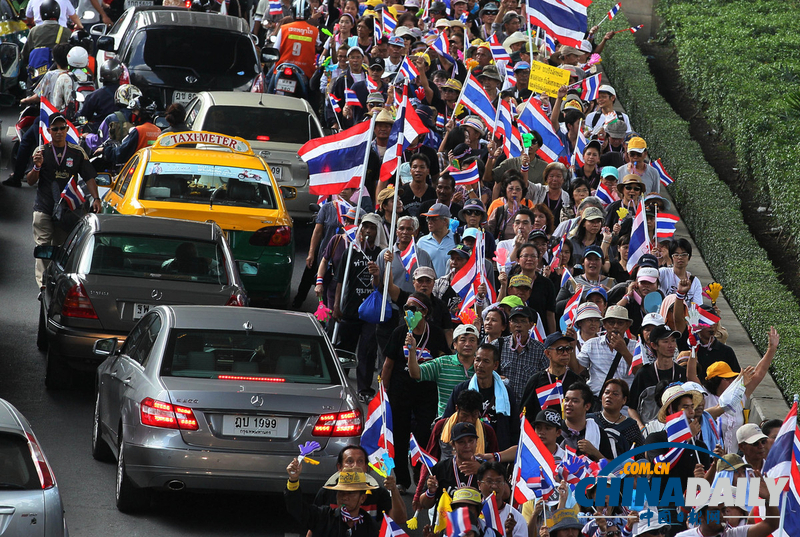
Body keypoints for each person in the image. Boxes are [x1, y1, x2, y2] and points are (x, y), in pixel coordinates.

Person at [381, 291, 450, 491]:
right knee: (399, 437)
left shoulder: (435, 333)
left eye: (414, 309)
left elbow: (443, 360)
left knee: (423, 435)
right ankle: (402, 479)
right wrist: (384, 392)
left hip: (426, 395)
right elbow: (388, 364)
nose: (409, 312)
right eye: (406, 309)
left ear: (425, 312)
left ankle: (420, 472)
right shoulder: (400, 332)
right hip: (400, 392)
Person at [29, 113, 100, 288]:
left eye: (62, 128)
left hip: (67, 211)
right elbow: (30, 180)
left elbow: (89, 178)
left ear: (67, 129)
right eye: (55, 129)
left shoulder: (77, 152)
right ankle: (43, 284)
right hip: (44, 207)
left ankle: (57, 282)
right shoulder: (41, 152)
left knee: (62, 249)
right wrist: (37, 166)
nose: (59, 132)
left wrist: (97, 199)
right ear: (49, 131)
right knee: (43, 248)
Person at [334, 213, 387, 402]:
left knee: (367, 350)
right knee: (345, 348)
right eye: (365, 227)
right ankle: (339, 381)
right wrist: (336, 305)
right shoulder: (351, 252)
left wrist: (376, 275)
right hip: (351, 307)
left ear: (377, 231)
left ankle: (364, 389)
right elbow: (341, 280)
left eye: (372, 228)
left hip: (371, 311)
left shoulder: (382, 253)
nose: (368, 231)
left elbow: (383, 286)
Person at [444, 343, 519, 450]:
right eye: (477, 360)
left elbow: (514, 428)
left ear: (495, 365)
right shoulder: (461, 390)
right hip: (467, 450)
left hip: (497, 453)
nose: (480, 365)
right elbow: (448, 420)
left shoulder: (506, 393)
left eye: (486, 361)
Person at [312, 445, 406, 523]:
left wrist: (394, 490)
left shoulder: (378, 493)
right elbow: (314, 526)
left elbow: (400, 519)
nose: (355, 465)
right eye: (350, 461)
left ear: (366, 467)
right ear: (339, 467)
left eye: (360, 461)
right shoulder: (326, 492)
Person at [284, 463, 380, 537]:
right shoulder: (323, 516)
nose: (344, 497)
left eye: (351, 493)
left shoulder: (369, 524)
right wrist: (293, 479)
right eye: (341, 492)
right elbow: (296, 508)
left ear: (362, 498)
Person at [408, 323, 479, 417]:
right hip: (446, 422)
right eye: (463, 340)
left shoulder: (481, 366)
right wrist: (412, 351)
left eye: (472, 340)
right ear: (454, 345)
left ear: (477, 345)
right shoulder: (442, 363)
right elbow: (416, 373)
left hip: (474, 422)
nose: (468, 344)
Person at [627, 325, 687, 429]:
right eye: (665, 341)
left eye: (673, 341)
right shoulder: (644, 374)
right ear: (654, 345)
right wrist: (641, 427)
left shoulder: (682, 372)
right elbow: (631, 408)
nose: (671, 345)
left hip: (677, 430)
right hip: (650, 431)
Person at [573, 305, 637, 397]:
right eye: (611, 323)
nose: (615, 326)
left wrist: (624, 351)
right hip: (597, 401)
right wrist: (571, 345)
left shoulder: (636, 346)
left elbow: (640, 373)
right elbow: (576, 369)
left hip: (624, 404)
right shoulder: (591, 344)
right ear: (604, 324)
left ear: (627, 325)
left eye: (620, 323)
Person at [419, 422, 484, 508]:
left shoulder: (486, 468)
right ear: (453, 444)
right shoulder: (440, 468)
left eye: (471, 441)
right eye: (461, 442)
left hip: (478, 520)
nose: (467, 446)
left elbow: (505, 494)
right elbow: (424, 504)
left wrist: (483, 472)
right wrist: (431, 492)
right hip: (446, 519)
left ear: (476, 442)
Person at [520, 332, 582, 419]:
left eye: (568, 349)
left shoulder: (577, 381)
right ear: (548, 353)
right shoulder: (536, 380)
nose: (565, 353)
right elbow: (525, 413)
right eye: (560, 349)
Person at [499, 306, 547, 406]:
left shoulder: (540, 350)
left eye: (523, 321)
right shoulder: (498, 345)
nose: (518, 325)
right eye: (515, 321)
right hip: (502, 405)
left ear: (530, 325)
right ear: (509, 324)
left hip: (528, 406)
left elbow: (545, 380)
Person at [97, 96, 161, 167]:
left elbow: (121, 154)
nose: (132, 113)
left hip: (138, 168)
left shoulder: (138, 131)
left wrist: (105, 150)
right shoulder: (158, 130)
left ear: (142, 113)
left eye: (134, 111)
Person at [561, 382, 615, 461]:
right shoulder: (555, 430)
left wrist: (594, 452)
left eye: (575, 401)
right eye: (566, 400)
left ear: (587, 406)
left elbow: (612, 467)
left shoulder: (598, 433)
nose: (568, 404)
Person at [588, 378, 644, 452]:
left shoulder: (631, 426)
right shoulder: (590, 420)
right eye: (606, 392)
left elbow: (639, 456)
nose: (609, 396)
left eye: (615, 394)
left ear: (624, 400)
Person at [477, 462, 527, 537]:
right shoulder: (474, 514)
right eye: (489, 481)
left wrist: (509, 534)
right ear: (479, 485)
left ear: (504, 484)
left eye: (498, 481)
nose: (494, 486)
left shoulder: (516, 518)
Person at [80, 59, 124, 129]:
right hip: (124, 132)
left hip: (100, 134)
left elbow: (83, 117)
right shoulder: (127, 94)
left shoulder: (94, 96)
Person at [418, 202, 458, 277]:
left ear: (445, 221)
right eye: (428, 219)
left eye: (433, 219)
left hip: (451, 286)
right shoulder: (421, 242)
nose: (430, 222)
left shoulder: (458, 240)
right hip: (429, 286)